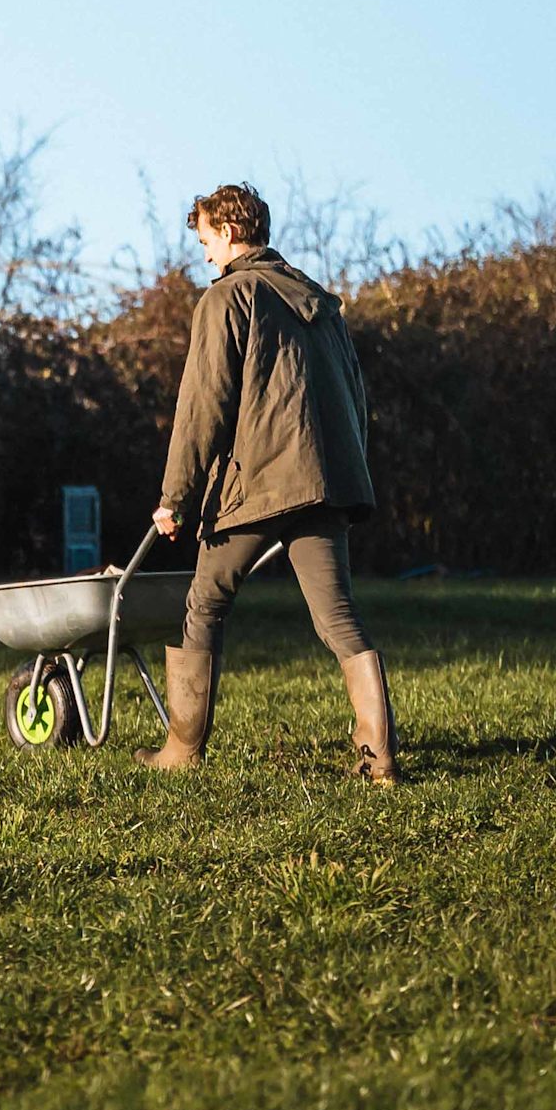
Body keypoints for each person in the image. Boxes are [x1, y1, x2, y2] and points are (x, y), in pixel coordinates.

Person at [142, 183, 396, 784]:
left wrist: (175, 498)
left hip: (257, 487)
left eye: (205, 240)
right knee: (338, 617)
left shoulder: (230, 298)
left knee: (204, 604)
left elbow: (203, 406)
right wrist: (348, 469)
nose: (204, 254)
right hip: (326, 483)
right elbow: (357, 400)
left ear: (229, 232)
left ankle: (182, 750)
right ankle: (378, 758)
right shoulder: (319, 304)